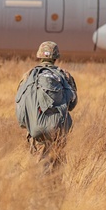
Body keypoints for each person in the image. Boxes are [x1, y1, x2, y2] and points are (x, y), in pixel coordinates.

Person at [16, 41, 78, 170]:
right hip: (58, 131)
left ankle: (37, 188)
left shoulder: (28, 75)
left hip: (35, 130)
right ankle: (53, 188)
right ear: (55, 57)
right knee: (56, 166)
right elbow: (72, 103)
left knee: (38, 165)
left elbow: (21, 102)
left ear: (39, 56)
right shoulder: (64, 75)